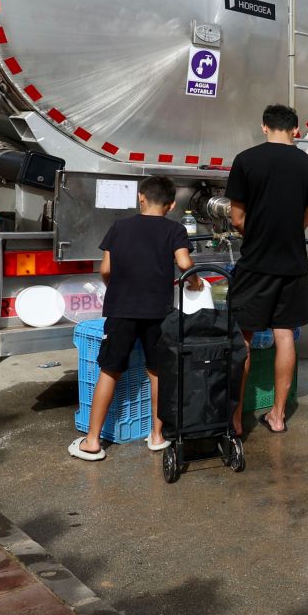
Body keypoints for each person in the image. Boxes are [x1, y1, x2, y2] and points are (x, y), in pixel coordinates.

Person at [68, 176, 194, 461]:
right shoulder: (175, 229)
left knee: (110, 369)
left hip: (122, 309)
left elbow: (106, 270)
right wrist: (195, 282)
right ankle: (158, 436)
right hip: (158, 312)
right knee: (157, 372)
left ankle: (92, 442)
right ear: (172, 204)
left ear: (141, 198)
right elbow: (185, 263)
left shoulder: (119, 227)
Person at [225, 105, 308, 435]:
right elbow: (304, 220)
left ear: (264, 126)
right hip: (292, 264)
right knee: (285, 336)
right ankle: (277, 416)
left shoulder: (246, 160)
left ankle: (236, 419)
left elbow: (237, 219)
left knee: (244, 338)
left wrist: (256, 231)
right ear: (295, 130)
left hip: (256, 265)